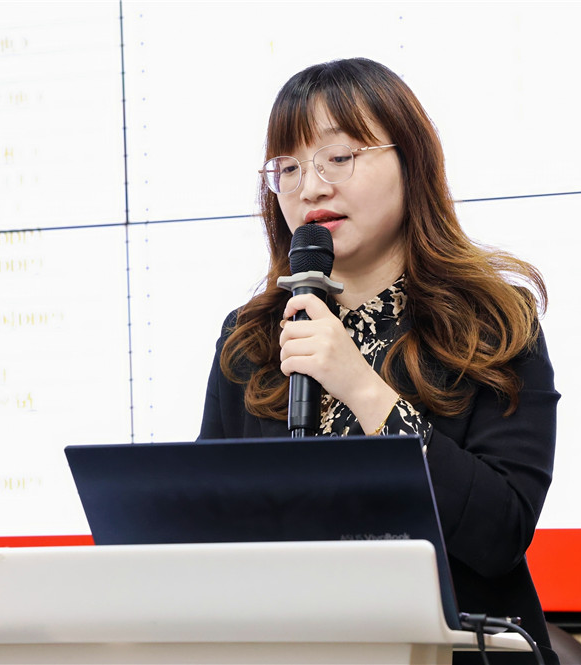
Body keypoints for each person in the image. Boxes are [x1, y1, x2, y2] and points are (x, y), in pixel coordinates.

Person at [199, 57, 560, 665]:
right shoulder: (250, 339)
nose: (311, 187)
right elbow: (204, 525)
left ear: (411, 162)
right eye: (289, 168)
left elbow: (499, 534)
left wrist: (361, 387)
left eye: (339, 157)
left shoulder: (493, 323)